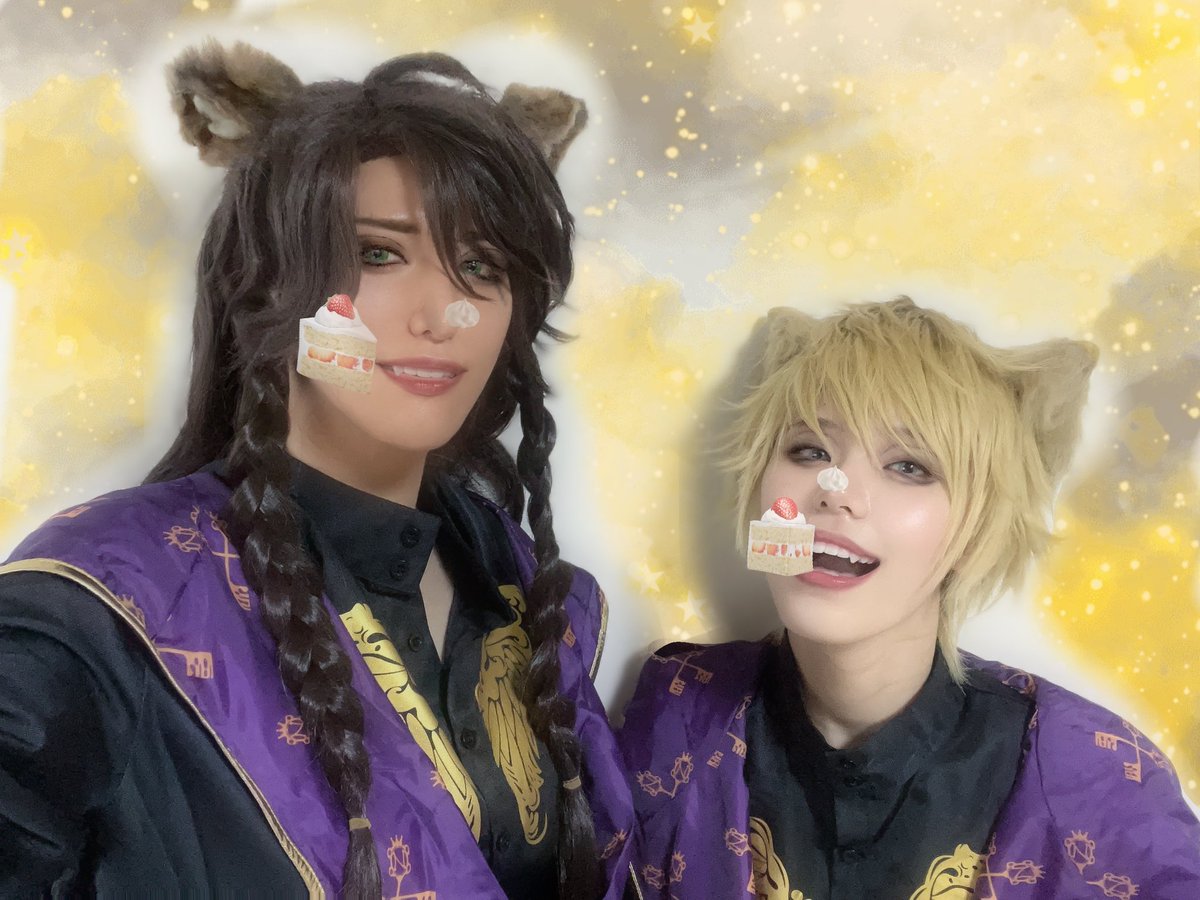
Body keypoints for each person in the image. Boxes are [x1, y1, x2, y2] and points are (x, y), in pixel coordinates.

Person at [0, 40, 635, 898]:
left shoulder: (531, 594)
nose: (442, 312)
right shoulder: (98, 610)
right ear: (270, 285)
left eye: (481, 266)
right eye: (379, 254)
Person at [618, 298, 1200, 899]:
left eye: (909, 466)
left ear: (976, 533)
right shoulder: (679, 709)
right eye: (810, 451)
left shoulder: (1100, 778)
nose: (837, 492)